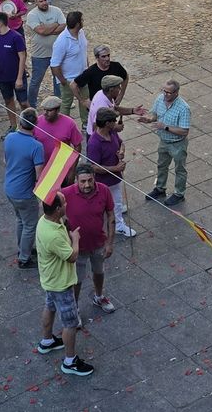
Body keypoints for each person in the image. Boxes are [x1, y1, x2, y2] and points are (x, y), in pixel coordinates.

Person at [35, 192, 95, 376]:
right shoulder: (53, 236)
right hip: (61, 283)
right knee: (70, 323)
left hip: (49, 279)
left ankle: (47, 341)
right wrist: (75, 239)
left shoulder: (45, 221)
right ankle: (70, 361)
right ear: (58, 209)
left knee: (49, 306)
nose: (67, 203)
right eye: (64, 202)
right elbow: (72, 256)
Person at [63, 164, 116, 313]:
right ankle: (75, 307)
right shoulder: (65, 194)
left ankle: (99, 297)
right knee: (77, 280)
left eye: (90, 180)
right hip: (77, 248)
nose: (87, 185)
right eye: (83, 181)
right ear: (76, 181)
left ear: (94, 178)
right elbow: (52, 211)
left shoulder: (104, 190)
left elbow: (111, 216)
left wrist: (110, 243)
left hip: (99, 243)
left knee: (99, 272)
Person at [3, 109, 47, 268]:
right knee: (30, 225)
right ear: (35, 124)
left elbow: (6, 160)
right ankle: (24, 258)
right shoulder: (36, 146)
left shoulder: (9, 137)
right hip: (24, 193)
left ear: (20, 122)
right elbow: (39, 175)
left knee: (20, 220)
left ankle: (22, 248)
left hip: (9, 188)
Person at [140, 79, 191, 206]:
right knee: (161, 165)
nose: (165, 94)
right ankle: (160, 188)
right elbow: (155, 115)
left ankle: (179, 194)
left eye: (169, 93)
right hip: (164, 141)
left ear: (176, 92)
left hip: (177, 143)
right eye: (164, 91)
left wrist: (165, 127)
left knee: (180, 169)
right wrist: (148, 119)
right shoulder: (160, 99)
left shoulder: (183, 108)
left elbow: (184, 131)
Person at [86, 108, 134, 238]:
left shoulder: (111, 132)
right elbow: (93, 167)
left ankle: (118, 225)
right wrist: (115, 168)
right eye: (113, 121)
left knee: (117, 202)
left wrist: (121, 151)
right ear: (107, 123)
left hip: (114, 179)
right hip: (103, 182)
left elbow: (121, 143)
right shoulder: (94, 143)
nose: (116, 123)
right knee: (100, 205)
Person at [24, 0, 66, 108]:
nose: (44, 3)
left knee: (58, 79)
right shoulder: (32, 15)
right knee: (36, 81)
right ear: (36, 2)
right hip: (40, 54)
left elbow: (63, 27)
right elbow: (41, 31)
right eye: (41, 1)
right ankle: (31, 104)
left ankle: (58, 102)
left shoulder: (56, 10)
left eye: (45, 0)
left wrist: (46, 28)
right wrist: (54, 24)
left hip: (56, 53)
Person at [50, 10, 90, 124]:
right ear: (77, 23)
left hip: (83, 76)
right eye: (82, 20)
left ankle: (86, 123)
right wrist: (63, 81)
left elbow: (84, 50)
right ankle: (64, 125)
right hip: (69, 79)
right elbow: (54, 64)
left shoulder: (81, 33)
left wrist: (87, 67)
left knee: (85, 101)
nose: (83, 21)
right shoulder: (62, 41)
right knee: (66, 104)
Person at [34, 97, 83, 184]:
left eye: (49, 110)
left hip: (62, 169)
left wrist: (72, 171)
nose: (45, 113)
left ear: (57, 110)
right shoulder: (36, 122)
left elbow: (77, 145)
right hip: (42, 169)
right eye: (44, 110)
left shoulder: (69, 123)